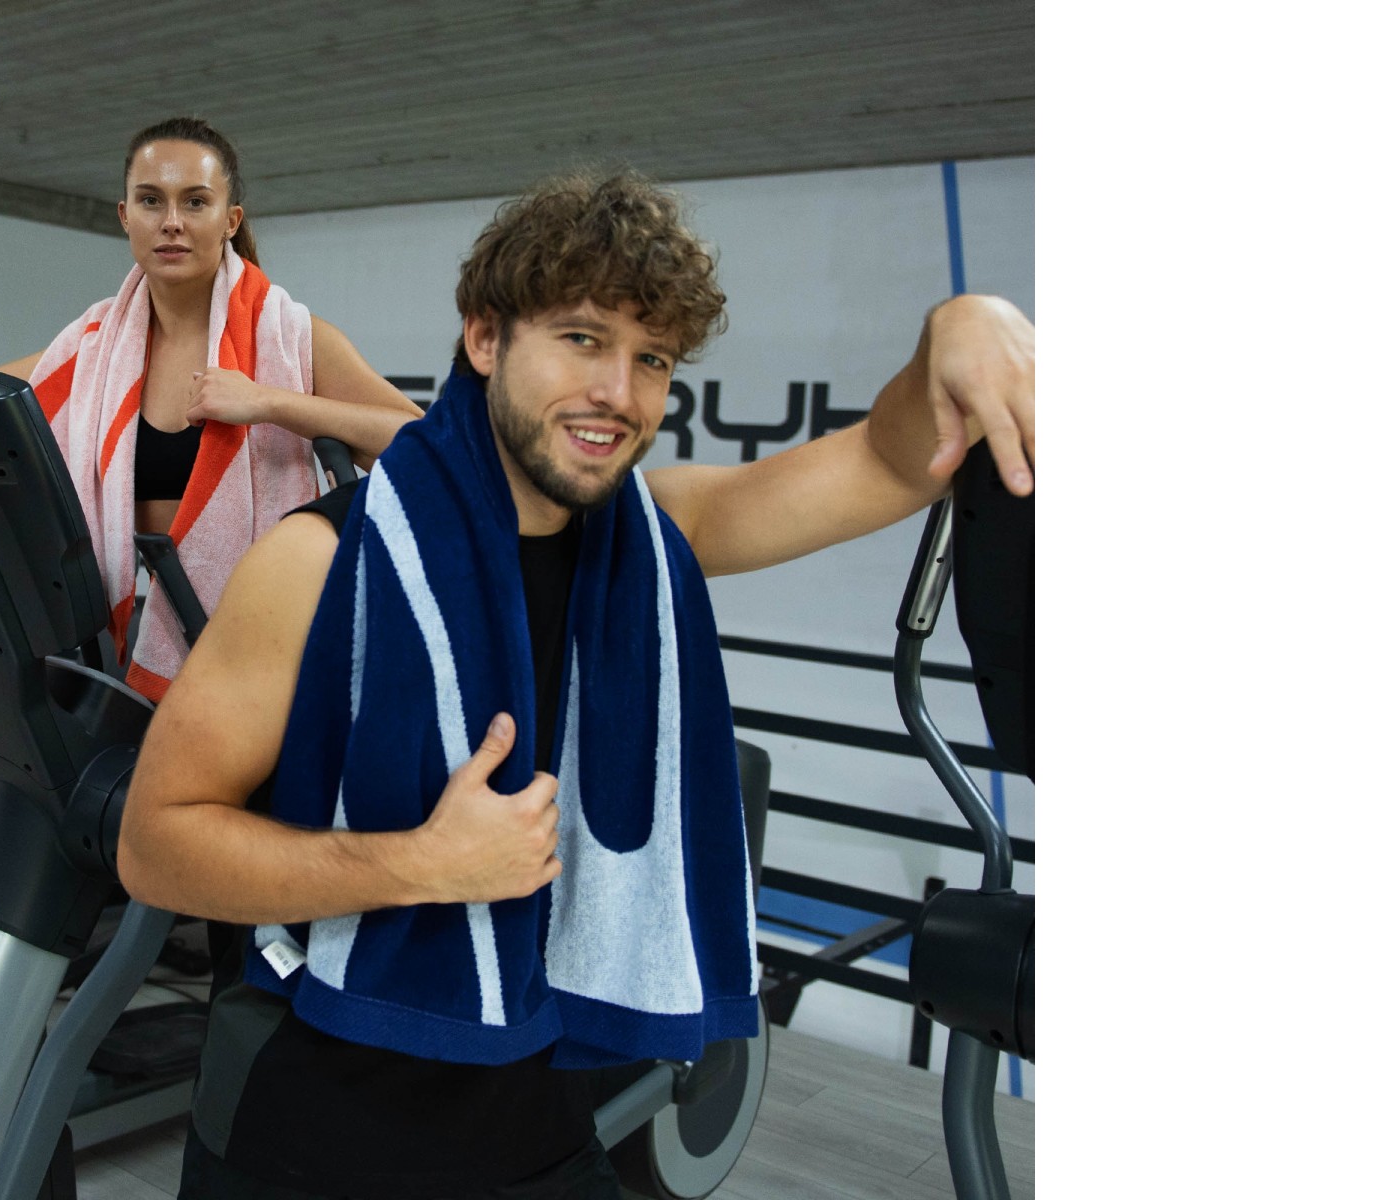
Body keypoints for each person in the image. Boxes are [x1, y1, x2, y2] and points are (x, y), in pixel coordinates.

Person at [118, 169, 1036, 1199]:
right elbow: (155, 846)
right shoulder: (320, 562)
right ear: (485, 339)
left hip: (543, 1133)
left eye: (653, 359)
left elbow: (890, 459)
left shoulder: (657, 538)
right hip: (310, 1146)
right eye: (583, 339)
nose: (619, 393)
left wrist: (963, 324)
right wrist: (418, 865)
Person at [0, 116, 424, 696]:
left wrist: (270, 402)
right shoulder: (96, 346)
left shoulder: (291, 337)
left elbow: (421, 443)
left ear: (230, 220)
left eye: (196, 202)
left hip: (268, 628)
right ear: (125, 216)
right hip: (150, 620)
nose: (172, 222)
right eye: (150, 200)